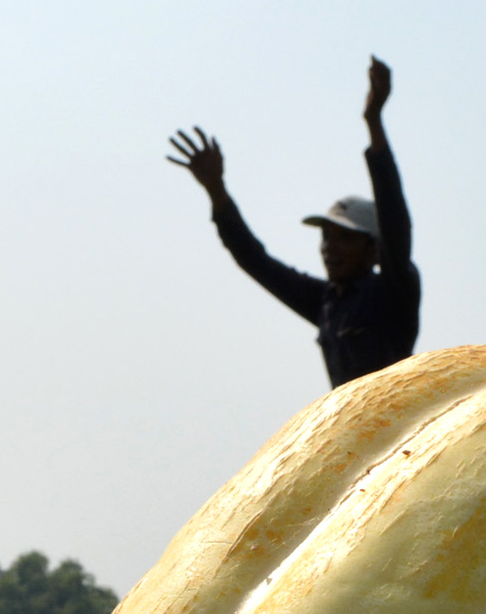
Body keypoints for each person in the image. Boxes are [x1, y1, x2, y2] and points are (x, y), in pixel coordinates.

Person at [167, 57, 422, 389]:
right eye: (325, 237)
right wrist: (217, 190)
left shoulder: (392, 290)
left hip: (403, 430)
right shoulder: (327, 302)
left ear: (373, 248)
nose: (329, 248)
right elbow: (256, 261)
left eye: (343, 238)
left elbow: (395, 222)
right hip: (354, 436)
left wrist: (373, 122)